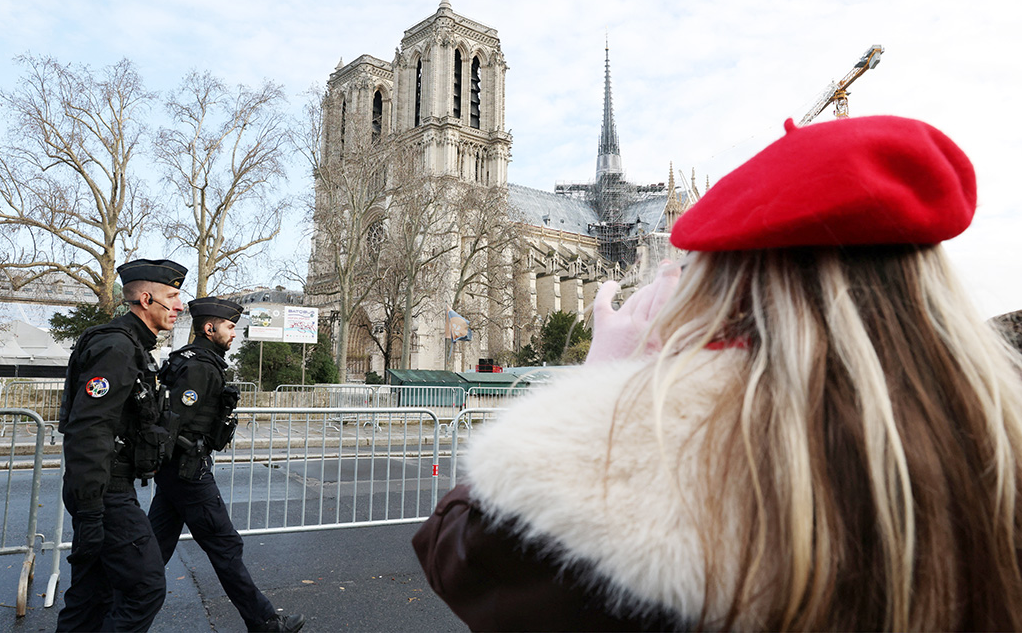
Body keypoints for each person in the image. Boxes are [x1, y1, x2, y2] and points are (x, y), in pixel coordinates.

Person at [412, 115, 1022, 630]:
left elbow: (462, 557)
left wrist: (602, 386)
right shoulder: (993, 452)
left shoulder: (677, 459)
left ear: (728, 292)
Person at [148, 297, 305, 633]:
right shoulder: (200, 367)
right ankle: (264, 622)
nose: (234, 333)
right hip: (188, 472)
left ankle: (112, 613)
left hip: (178, 473)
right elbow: (174, 423)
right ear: (210, 328)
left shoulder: (197, 361)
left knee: (152, 552)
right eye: (230, 327)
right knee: (225, 545)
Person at [57, 258, 187, 632]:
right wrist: (93, 510)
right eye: (173, 296)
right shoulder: (117, 346)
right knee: (145, 588)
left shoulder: (132, 345)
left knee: (90, 598)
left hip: (107, 487)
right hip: (105, 491)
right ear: (146, 299)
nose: (179, 306)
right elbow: (89, 429)